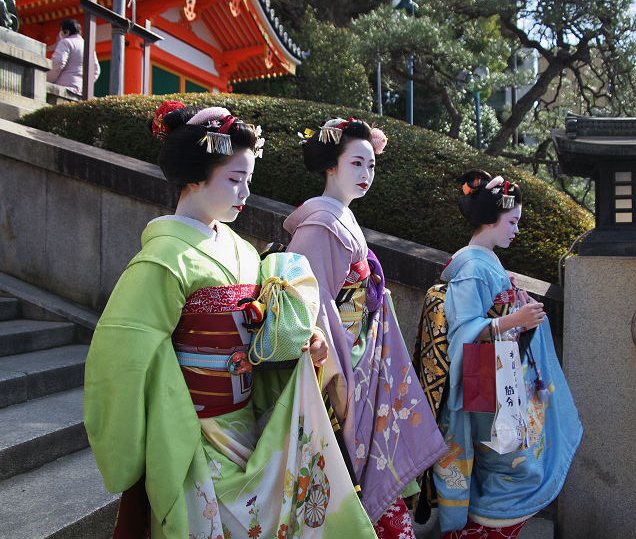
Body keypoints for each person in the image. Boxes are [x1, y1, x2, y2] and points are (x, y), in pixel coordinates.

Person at [84, 102, 377, 539]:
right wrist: (133, 449)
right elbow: (120, 359)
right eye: (236, 180)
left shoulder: (240, 250)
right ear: (195, 178)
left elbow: (269, 320)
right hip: (190, 429)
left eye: (249, 181)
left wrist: (306, 338)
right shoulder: (163, 259)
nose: (246, 194)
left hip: (250, 419)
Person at [284, 118, 448, 538]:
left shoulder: (341, 219)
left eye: (371, 166)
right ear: (331, 167)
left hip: (363, 362)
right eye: (356, 163)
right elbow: (313, 309)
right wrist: (338, 378)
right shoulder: (320, 226)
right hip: (341, 368)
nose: (366, 175)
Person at [431, 169, 583, 539]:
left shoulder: (485, 261)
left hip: (497, 371)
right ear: (490, 220)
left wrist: (519, 314)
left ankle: (487, 524)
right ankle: (484, 527)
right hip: (484, 373)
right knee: (507, 460)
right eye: (512, 221)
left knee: (510, 455)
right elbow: (463, 328)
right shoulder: (472, 266)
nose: (516, 229)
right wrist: (515, 317)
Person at [46, 18, 100, 96]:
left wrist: (47, 79)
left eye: (61, 32)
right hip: (81, 91)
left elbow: (58, 63)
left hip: (65, 88)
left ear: (67, 31)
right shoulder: (89, 47)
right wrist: (85, 85)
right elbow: (96, 70)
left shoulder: (66, 42)